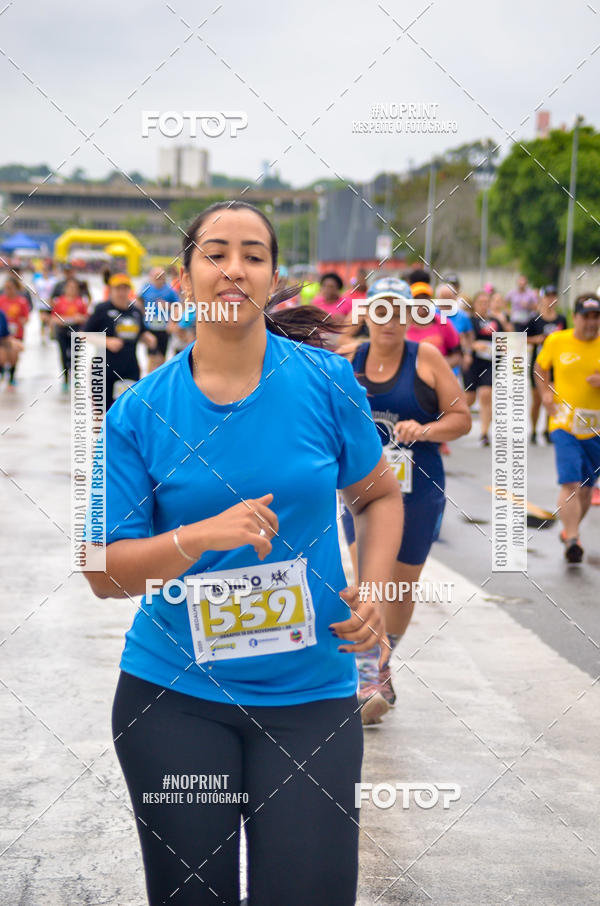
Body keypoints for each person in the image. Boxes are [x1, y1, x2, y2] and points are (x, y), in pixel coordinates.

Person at [83, 201, 403, 906]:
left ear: (273, 277)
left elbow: (379, 496)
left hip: (312, 695)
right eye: (216, 253)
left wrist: (377, 589)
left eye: (253, 255)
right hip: (176, 700)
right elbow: (103, 571)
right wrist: (199, 536)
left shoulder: (326, 382)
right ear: (184, 279)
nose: (235, 268)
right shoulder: (138, 413)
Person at [338, 276, 471, 724]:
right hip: (362, 491)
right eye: (381, 311)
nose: (389, 321)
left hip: (419, 490)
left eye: (398, 312)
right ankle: (369, 671)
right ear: (367, 315)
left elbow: (462, 419)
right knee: (369, 581)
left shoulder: (426, 358)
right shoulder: (348, 359)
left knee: (400, 585)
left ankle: (384, 657)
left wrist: (425, 430)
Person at [534, 294, 600, 563]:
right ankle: (573, 539)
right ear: (575, 317)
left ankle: (569, 531)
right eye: (586, 317)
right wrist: (545, 393)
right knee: (570, 481)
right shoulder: (557, 340)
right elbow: (540, 368)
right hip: (564, 424)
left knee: (586, 489)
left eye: (596, 317)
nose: (592, 322)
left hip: (595, 429)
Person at [83, 273, 157, 409]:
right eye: (118, 289)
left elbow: (141, 332)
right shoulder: (101, 309)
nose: (121, 293)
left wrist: (149, 338)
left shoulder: (135, 311)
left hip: (130, 368)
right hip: (103, 369)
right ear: (110, 290)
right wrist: (107, 342)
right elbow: (84, 334)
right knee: (102, 412)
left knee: (127, 410)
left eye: (125, 288)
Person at [525, 286, 567, 444]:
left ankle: (548, 430)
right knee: (537, 399)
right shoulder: (535, 319)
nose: (551, 300)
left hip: (555, 364)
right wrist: (537, 339)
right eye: (548, 296)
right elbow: (522, 338)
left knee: (552, 397)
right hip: (539, 363)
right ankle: (534, 430)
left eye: (553, 296)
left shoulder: (561, 319)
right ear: (542, 299)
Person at [464, 291, 504, 446]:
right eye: (480, 302)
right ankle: (451, 419)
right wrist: (474, 345)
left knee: (486, 394)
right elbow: (462, 340)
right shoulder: (469, 320)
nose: (484, 305)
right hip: (472, 363)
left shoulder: (495, 321)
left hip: (490, 363)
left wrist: (501, 346)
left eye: (487, 302)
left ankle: (484, 433)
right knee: (469, 397)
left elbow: (503, 339)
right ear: (474, 304)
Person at [138, 266, 180, 372]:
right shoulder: (146, 288)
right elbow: (139, 302)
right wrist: (142, 314)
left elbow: (178, 307)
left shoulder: (169, 290)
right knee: (151, 357)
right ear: (151, 277)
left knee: (161, 358)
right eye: (156, 276)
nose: (158, 278)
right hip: (149, 327)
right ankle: (150, 376)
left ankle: (159, 376)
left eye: (161, 276)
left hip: (163, 329)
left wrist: (168, 306)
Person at [50, 276, 89, 390]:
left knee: (75, 355)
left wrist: (80, 318)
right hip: (62, 331)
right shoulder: (59, 301)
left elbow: (86, 318)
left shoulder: (80, 302)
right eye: (69, 287)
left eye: (74, 288)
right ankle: (65, 378)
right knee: (63, 354)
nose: (72, 290)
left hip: (76, 331)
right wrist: (60, 320)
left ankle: (75, 375)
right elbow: (53, 317)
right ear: (65, 289)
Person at [0, 275, 30, 385]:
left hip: (17, 333)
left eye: (10, 288)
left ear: (16, 288)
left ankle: (12, 377)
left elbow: (26, 317)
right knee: (2, 354)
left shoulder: (21, 301)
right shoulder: (1, 300)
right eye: (6, 288)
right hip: (3, 333)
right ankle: (2, 372)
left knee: (14, 354)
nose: (8, 290)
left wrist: (23, 321)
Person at [32, 260, 57, 343]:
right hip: (41, 304)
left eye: (46, 270)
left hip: (50, 303)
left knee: (49, 320)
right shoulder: (38, 281)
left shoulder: (53, 281)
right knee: (43, 320)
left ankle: (50, 334)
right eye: (44, 270)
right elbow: (36, 292)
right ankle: (43, 336)